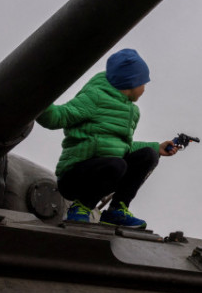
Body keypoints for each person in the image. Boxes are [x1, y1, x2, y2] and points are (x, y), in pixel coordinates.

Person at [35, 48, 178, 227]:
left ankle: (116, 210)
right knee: (116, 164)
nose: (144, 88)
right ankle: (81, 207)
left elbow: (122, 146)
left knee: (148, 155)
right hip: (75, 177)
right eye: (143, 83)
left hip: (107, 172)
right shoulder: (94, 97)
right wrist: (36, 96)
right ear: (131, 83)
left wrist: (157, 147)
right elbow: (58, 117)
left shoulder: (131, 111)